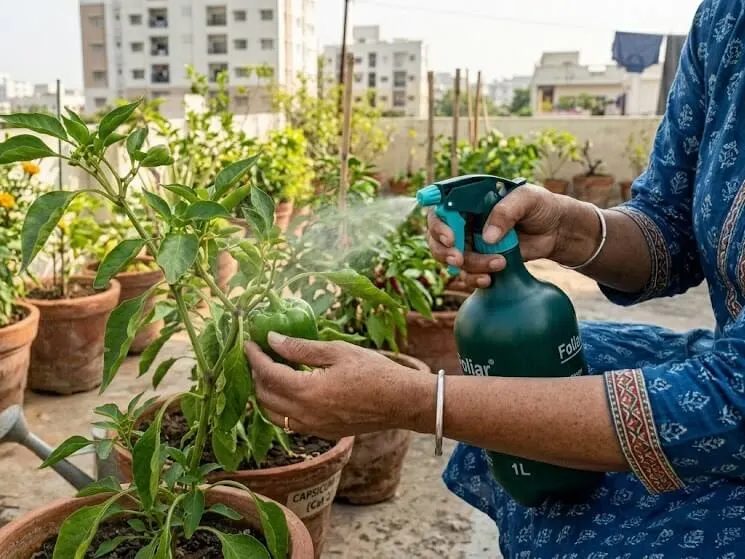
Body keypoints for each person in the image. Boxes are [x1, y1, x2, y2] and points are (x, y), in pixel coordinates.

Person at [245, 1, 745, 555]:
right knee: (544, 369)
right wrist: (569, 229)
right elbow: (670, 228)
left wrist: (422, 403)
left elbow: (735, 403)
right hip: (729, 365)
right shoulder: (725, 20)